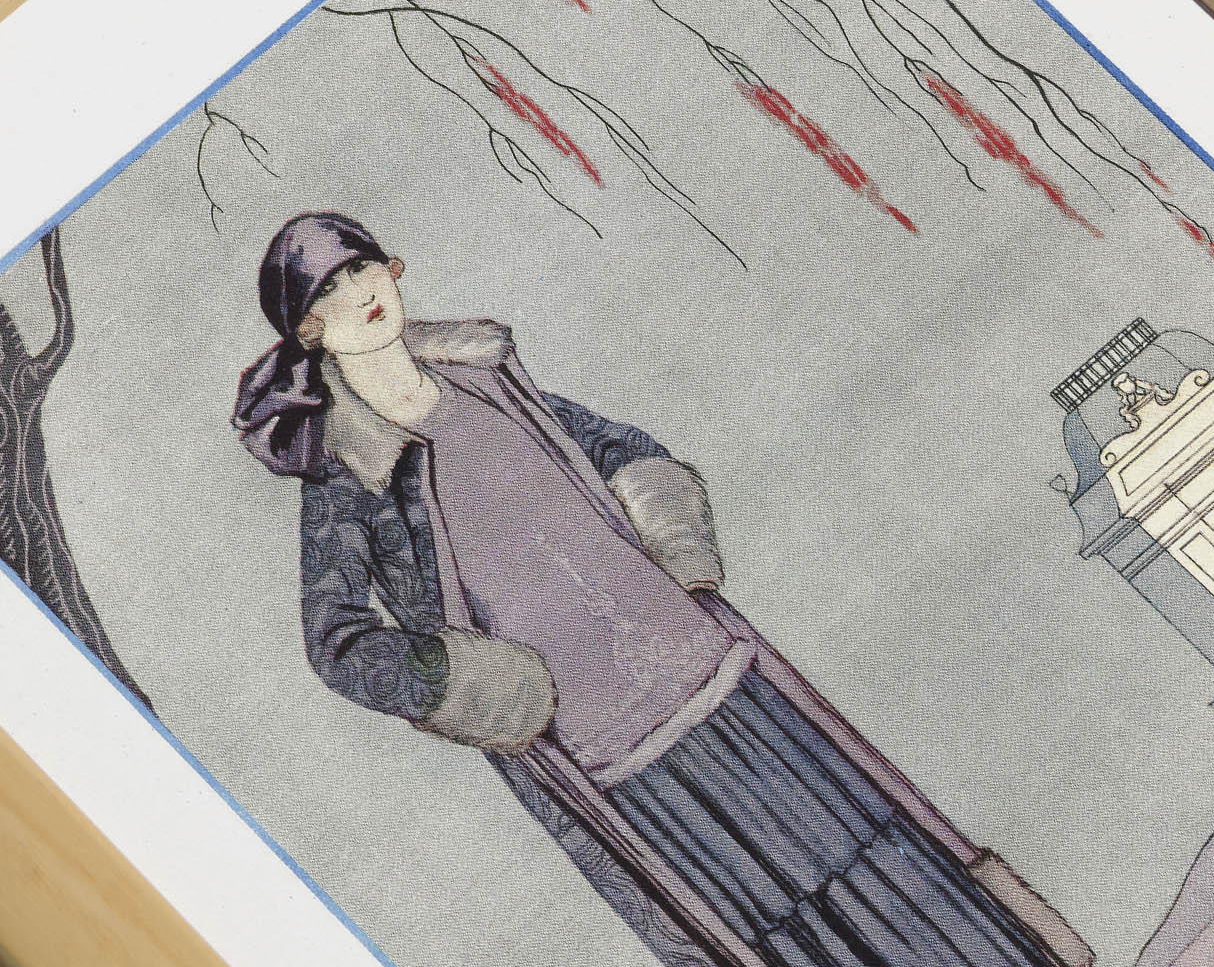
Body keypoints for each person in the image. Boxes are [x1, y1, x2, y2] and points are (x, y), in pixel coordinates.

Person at [235, 212, 1090, 967]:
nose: (359, 292)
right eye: (330, 289)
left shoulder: (486, 376)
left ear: (393, 269)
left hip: (716, 675)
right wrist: (484, 689)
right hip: (611, 755)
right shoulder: (344, 475)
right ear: (310, 329)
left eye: (362, 267)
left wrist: (675, 558)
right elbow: (337, 642)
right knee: (771, 926)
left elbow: (623, 448)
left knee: (876, 853)